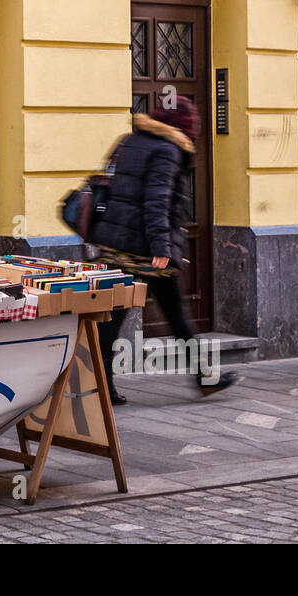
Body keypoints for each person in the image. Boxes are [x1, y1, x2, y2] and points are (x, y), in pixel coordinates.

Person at [89, 96, 238, 404]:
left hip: (115, 243)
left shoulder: (129, 140)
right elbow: (157, 202)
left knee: (115, 315)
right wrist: (161, 247)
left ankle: (102, 386)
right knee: (176, 316)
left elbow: (109, 185)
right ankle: (204, 378)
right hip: (146, 250)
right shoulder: (167, 151)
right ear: (183, 128)